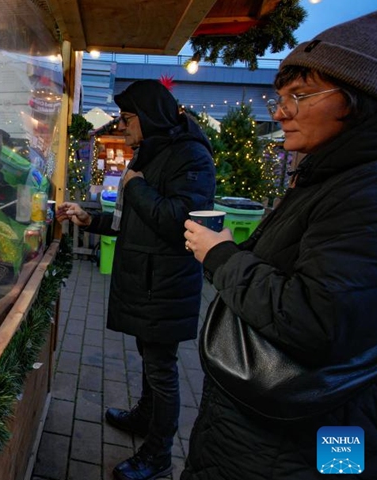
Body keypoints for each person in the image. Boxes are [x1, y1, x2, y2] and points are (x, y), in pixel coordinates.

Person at [182, 12, 377, 479]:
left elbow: (315, 318)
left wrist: (221, 256)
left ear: (358, 103)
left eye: (300, 96)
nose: (280, 111)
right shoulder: (328, 176)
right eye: (281, 96)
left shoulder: (363, 194)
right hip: (264, 429)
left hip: (304, 437)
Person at [57, 79, 216, 480]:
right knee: (150, 359)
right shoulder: (151, 150)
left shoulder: (192, 157)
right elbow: (134, 221)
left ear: (150, 116)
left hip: (166, 283)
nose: (123, 127)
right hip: (146, 281)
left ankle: (159, 455)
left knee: (162, 369)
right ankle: (146, 416)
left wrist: (138, 185)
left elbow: (177, 220)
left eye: (128, 119)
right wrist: (89, 217)